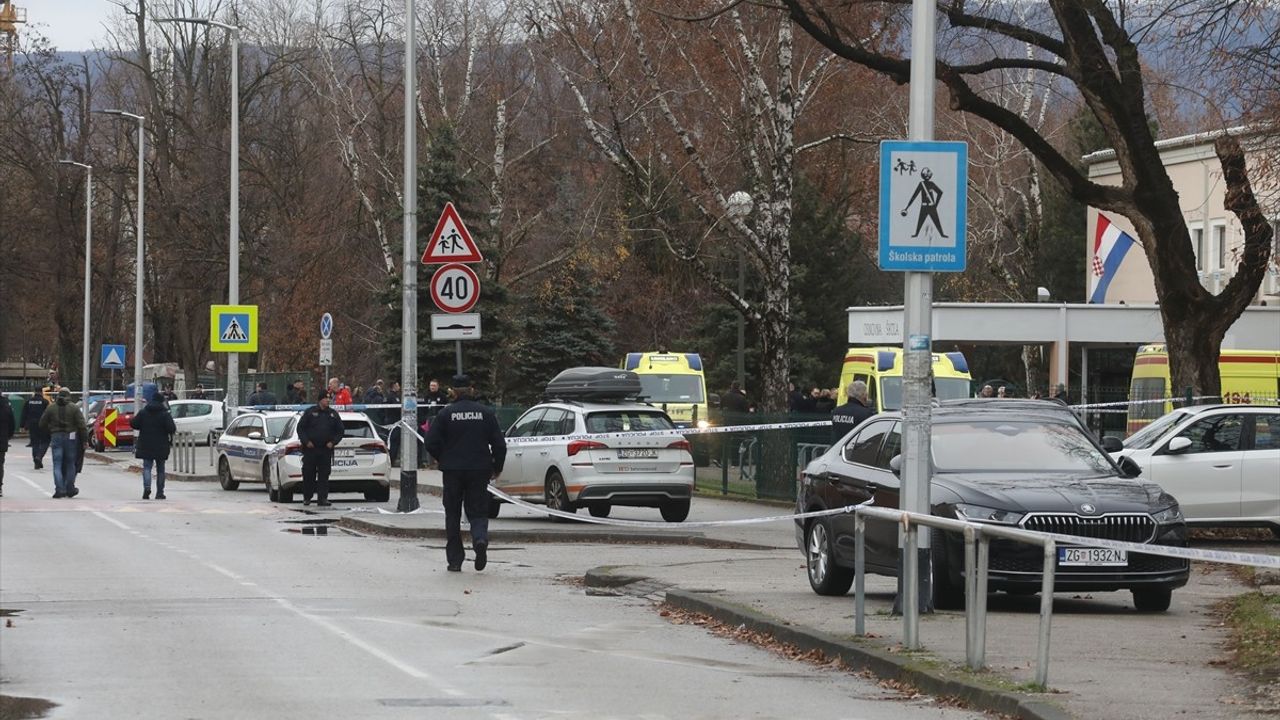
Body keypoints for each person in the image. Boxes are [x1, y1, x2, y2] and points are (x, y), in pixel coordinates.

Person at [424, 374, 506, 573]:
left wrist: (442, 457)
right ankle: (479, 539)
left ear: (453, 391)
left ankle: (455, 560)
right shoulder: (485, 413)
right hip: (479, 469)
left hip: (452, 470)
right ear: (471, 389)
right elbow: (499, 444)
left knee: (452, 513)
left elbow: (430, 442)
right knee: (477, 510)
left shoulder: (446, 414)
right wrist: (497, 466)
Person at [297, 391, 345, 506]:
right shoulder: (310, 412)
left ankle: (322, 498)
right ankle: (307, 497)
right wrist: (306, 441)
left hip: (325, 450)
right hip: (311, 449)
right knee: (309, 474)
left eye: (329, 399)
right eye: (325, 398)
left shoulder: (333, 414)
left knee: (324, 475)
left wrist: (333, 442)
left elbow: (340, 431)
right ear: (320, 400)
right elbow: (301, 429)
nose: (328, 401)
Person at [39, 388, 87, 498]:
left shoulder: (51, 408)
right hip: (71, 437)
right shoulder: (74, 408)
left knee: (57, 464)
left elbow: (42, 423)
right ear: (69, 396)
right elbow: (82, 425)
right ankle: (69, 487)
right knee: (71, 463)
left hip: (56, 436)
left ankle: (59, 489)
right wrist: (84, 440)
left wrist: (50, 430)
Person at [130, 394, 177, 500]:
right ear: (161, 402)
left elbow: (133, 424)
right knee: (160, 469)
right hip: (161, 445)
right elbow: (172, 428)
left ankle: (147, 488)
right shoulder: (165, 414)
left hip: (146, 444)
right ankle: (160, 492)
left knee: (147, 468)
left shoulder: (143, 412)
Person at [21, 386, 51, 469]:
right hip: (43, 425)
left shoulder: (28, 402)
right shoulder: (45, 402)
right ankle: (39, 456)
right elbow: (48, 414)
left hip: (32, 425)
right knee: (45, 441)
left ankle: (36, 461)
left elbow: (24, 414)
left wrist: (22, 425)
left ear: (34, 392)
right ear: (41, 392)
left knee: (35, 443)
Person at [0, 392, 14, 497]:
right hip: (2, 438)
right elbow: (12, 422)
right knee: (0, 463)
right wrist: (9, 435)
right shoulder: (6, 404)